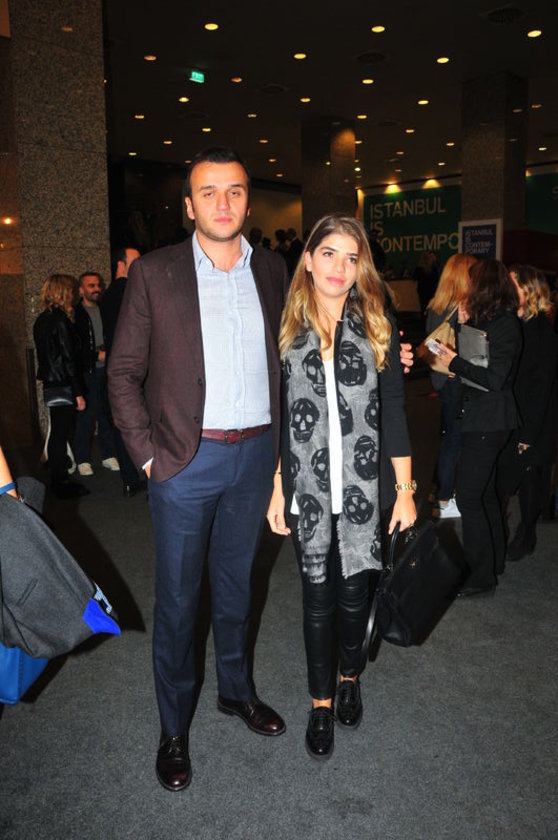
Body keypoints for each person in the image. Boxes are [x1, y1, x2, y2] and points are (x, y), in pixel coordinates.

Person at [108, 147, 289, 792]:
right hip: (185, 461)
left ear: (247, 200)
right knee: (181, 602)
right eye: (208, 192)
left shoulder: (272, 269)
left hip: (255, 456)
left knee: (237, 589)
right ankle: (173, 727)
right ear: (189, 206)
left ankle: (235, 691)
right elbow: (123, 374)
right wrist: (148, 456)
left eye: (234, 191)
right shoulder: (155, 273)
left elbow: (299, 351)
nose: (222, 203)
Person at [266, 213, 416, 760]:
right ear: (308, 259)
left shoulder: (376, 323)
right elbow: (280, 416)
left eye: (351, 258)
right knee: (317, 600)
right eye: (329, 253)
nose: (340, 267)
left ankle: (349, 677)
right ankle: (321, 701)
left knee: (355, 598)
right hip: (307, 489)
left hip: (362, 491)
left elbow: (394, 409)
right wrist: (278, 484)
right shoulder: (285, 328)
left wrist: (405, 490)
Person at [435, 259, 522, 597]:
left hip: (490, 420)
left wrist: (454, 361)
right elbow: (476, 365)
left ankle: (480, 577)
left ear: (484, 287)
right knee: (483, 495)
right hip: (483, 418)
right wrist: (462, 328)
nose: (467, 289)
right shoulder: (492, 321)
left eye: (472, 284)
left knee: (469, 498)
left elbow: (494, 378)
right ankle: (492, 564)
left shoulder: (505, 325)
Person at [497, 265, 558, 560]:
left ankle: (527, 534)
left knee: (531, 479)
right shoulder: (513, 322)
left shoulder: (542, 331)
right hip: (512, 415)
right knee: (508, 477)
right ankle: (508, 532)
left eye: (513, 284)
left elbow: (541, 387)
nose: (507, 289)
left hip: (534, 420)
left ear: (530, 291)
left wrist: (529, 435)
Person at [425, 253, 477, 518]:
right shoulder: (462, 308)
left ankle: (439, 491)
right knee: (456, 440)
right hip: (456, 380)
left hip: (442, 380)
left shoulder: (436, 306)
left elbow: (430, 344)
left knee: (448, 437)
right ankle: (445, 498)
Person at [33, 274, 88, 499]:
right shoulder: (60, 320)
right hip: (64, 383)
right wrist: (78, 393)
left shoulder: (42, 319)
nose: (74, 294)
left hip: (51, 382)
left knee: (57, 432)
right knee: (60, 432)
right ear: (63, 292)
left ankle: (59, 478)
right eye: (71, 290)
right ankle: (60, 481)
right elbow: (68, 359)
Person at [100, 247, 144, 497]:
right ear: (120, 264)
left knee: (121, 423)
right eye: (135, 261)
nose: (140, 265)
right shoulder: (131, 291)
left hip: (114, 368)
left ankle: (129, 479)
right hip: (134, 367)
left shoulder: (106, 296)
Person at [74, 272, 119, 476]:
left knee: (106, 414)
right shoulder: (76, 313)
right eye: (91, 285)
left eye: (98, 285)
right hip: (88, 371)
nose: (96, 289)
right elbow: (75, 348)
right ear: (81, 290)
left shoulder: (104, 309)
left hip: (106, 370)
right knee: (86, 417)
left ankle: (108, 455)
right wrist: (95, 356)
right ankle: (82, 459)